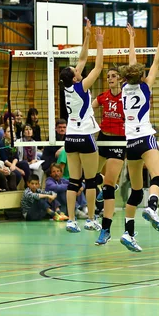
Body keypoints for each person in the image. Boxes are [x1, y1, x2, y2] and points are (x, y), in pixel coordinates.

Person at [117, 22, 159, 252]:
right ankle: (152, 206)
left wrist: (131, 39)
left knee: (135, 190)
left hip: (130, 143)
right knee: (158, 177)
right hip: (146, 138)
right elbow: (157, 61)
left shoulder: (124, 89)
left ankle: (128, 233)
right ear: (141, 75)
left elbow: (131, 64)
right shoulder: (145, 87)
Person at [58, 20, 104, 233]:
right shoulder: (82, 86)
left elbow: (83, 58)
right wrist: (99, 42)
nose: (77, 68)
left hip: (70, 138)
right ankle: (92, 219)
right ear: (75, 76)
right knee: (92, 180)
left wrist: (86, 36)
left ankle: (70, 220)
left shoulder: (66, 87)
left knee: (73, 181)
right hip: (85, 136)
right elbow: (98, 66)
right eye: (75, 70)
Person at [91, 38, 128, 244]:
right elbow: (88, 110)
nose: (110, 79)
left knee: (107, 185)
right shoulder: (104, 97)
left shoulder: (127, 97)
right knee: (91, 176)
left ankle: (105, 231)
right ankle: (109, 187)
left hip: (119, 142)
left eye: (113, 76)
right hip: (103, 139)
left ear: (121, 79)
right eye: (108, 76)